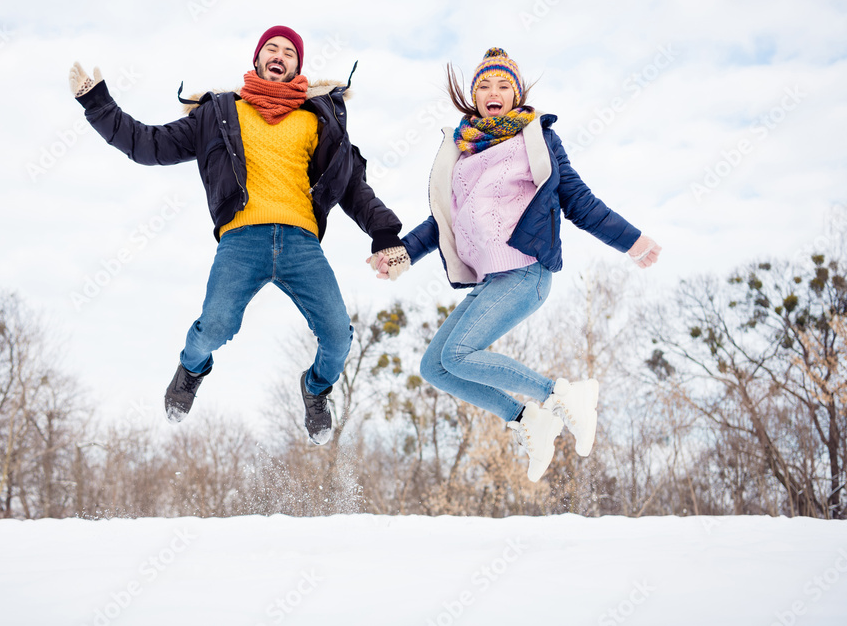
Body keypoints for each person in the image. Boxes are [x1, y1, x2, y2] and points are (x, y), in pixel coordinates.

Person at [69, 25, 406, 445]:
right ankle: (191, 370)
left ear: (299, 65)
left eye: (288, 51)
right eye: (271, 48)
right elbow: (148, 144)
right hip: (241, 241)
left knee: (338, 336)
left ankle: (316, 390)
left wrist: (385, 233)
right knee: (214, 327)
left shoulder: (317, 120)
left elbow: (353, 187)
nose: (279, 54)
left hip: (301, 243)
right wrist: (98, 104)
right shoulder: (219, 113)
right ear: (258, 59)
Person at [370, 48, 661, 481]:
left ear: (516, 93)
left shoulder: (536, 139)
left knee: (460, 353)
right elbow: (443, 223)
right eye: (485, 85)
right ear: (473, 96)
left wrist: (632, 241)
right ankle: (527, 419)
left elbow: (578, 201)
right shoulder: (462, 152)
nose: (494, 92)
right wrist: (403, 253)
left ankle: (562, 395)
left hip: (526, 270)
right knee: (435, 367)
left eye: (504, 85)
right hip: (490, 281)